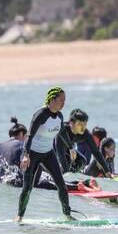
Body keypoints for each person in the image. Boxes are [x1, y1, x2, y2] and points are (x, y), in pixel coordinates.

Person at [15, 87, 73, 223]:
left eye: (64, 101)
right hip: (33, 154)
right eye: (61, 100)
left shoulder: (59, 116)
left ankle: (67, 215)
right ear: (52, 100)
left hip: (48, 153)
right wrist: (25, 155)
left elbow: (62, 132)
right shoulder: (41, 114)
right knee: (28, 187)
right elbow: (29, 135)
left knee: (61, 184)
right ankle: (20, 216)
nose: (63, 104)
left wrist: (71, 148)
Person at [54, 109, 111, 176]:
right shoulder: (63, 130)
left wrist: (107, 171)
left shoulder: (85, 134)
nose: (83, 128)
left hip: (68, 149)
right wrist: (67, 174)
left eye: (85, 124)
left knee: (82, 161)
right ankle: (62, 176)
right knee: (66, 164)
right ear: (71, 123)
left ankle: (73, 176)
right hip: (53, 150)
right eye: (80, 124)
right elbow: (60, 154)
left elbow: (96, 153)